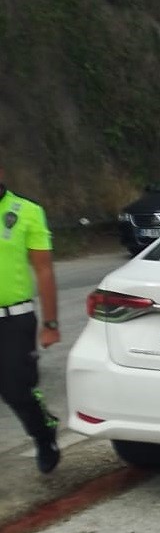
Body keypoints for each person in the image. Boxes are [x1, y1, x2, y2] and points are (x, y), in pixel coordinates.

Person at [0, 159, 61, 474]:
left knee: (15, 388)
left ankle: (43, 432)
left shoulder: (26, 212)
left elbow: (44, 269)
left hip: (14, 319)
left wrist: (51, 324)